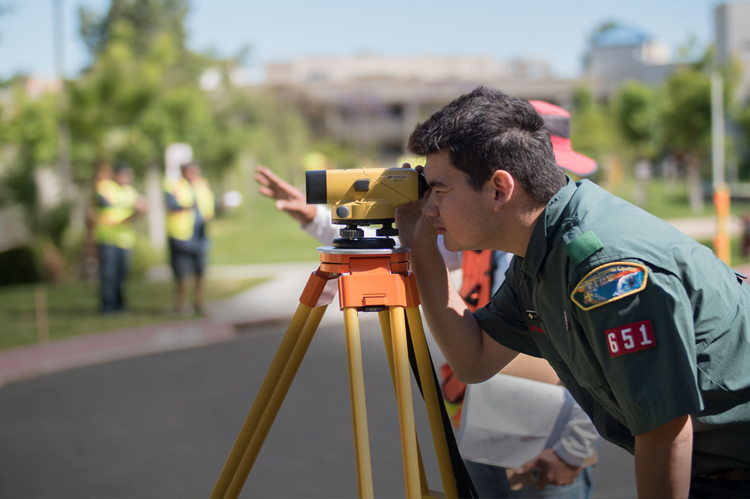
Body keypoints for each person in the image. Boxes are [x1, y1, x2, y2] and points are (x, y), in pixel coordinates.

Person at [395, 86, 750, 499]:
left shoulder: (603, 271)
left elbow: (665, 431)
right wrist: (420, 250)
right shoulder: (544, 247)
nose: (430, 207)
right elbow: (474, 360)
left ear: (499, 189)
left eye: (439, 191)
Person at [254, 101, 601, 497]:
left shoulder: (572, 257)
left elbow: (593, 369)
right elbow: (412, 244)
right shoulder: (482, 233)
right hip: (482, 426)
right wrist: (315, 217)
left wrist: (573, 448)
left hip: (547, 437)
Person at [93, 161, 147, 313]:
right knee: (109, 274)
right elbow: (106, 209)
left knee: (122, 274)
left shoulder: (130, 192)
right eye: (124, 174)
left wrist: (138, 212)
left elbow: (133, 214)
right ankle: (108, 305)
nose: (127, 177)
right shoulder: (106, 188)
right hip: (108, 238)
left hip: (125, 240)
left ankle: (120, 303)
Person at [164, 161, 215, 315]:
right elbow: (172, 205)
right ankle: (181, 304)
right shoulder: (174, 185)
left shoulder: (203, 184)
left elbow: (210, 204)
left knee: (200, 270)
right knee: (181, 272)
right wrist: (188, 206)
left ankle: (199, 302)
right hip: (181, 235)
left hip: (200, 233)